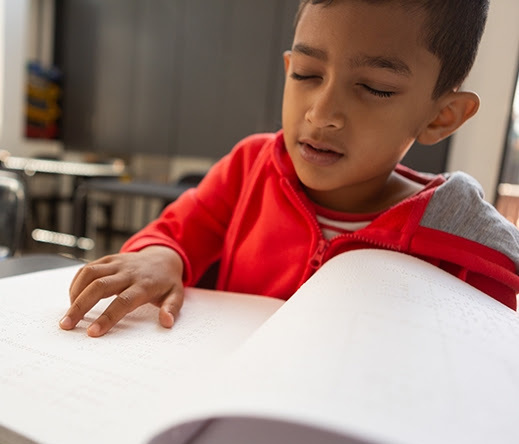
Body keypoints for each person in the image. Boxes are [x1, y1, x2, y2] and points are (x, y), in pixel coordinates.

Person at [60, 0, 519, 337]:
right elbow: (182, 229)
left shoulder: (463, 247)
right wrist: (162, 257)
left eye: (375, 88)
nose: (322, 113)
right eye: (306, 74)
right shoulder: (251, 167)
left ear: (440, 117)